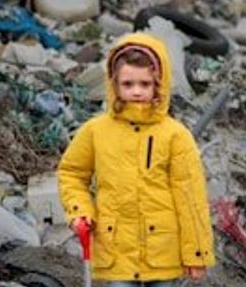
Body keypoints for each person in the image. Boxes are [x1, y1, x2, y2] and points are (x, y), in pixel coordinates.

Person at [58, 33, 215, 286]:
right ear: (114, 84)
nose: (137, 92)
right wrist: (80, 211)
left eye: (144, 84)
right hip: (115, 251)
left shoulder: (175, 135)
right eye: (128, 84)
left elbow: (190, 197)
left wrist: (196, 253)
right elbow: (72, 173)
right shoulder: (95, 131)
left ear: (158, 84)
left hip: (163, 252)